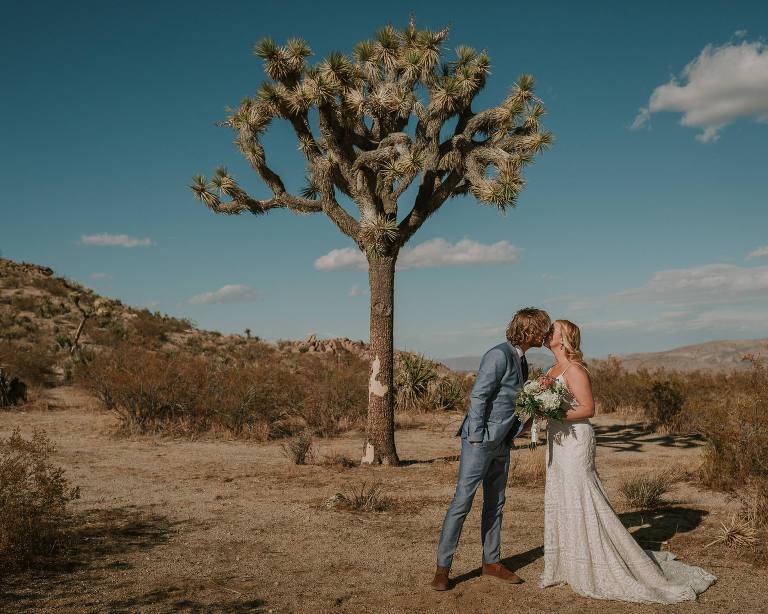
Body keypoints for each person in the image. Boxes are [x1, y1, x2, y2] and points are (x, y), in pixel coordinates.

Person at [540, 319, 716, 603]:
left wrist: (552, 413)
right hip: (557, 440)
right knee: (562, 494)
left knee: (582, 494)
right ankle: (571, 562)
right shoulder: (550, 370)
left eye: (553, 330)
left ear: (564, 338)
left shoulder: (575, 369)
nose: (547, 333)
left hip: (575, 439)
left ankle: (600, 560)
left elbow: (588, 408)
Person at [430, 307, 552, 591]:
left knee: (496, 502)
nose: (545, 335)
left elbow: (511, 400)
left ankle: (491, 562)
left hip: (502, 442)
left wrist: (523, 423)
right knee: (462, 503)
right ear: (530, 330)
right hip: (480, 442)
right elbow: (479, 396)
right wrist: (476, 439)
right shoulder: (499, 354)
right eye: (542, 329)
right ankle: (442, 569)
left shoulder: (520, 360)